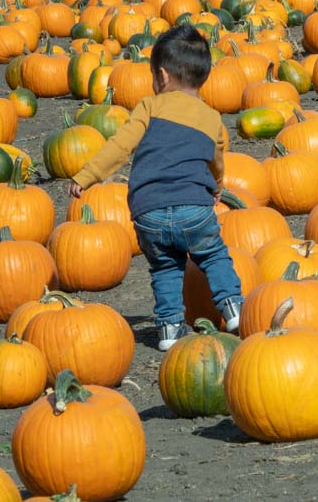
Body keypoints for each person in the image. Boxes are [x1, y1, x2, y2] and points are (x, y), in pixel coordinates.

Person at [69, 24, 243, 352]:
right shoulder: (211, 117)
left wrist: (87, 175)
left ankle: (168, 329)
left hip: (148, 211)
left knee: (165, 266)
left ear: (161, 76)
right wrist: (217, 187)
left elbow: (120, 147)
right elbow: (216, 160)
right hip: (194, 207)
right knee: (213, 254)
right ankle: (233, 307)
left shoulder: (149, 107)